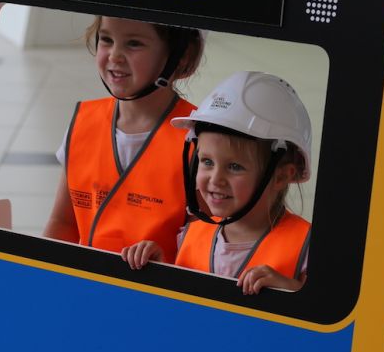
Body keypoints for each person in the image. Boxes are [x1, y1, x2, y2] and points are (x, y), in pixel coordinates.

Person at [122, 71, 313, 295]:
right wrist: (160, 271)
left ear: (280, 177)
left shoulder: (307, 246)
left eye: (234, 167)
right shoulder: (189, 236)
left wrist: (296, 294)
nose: (215, 179)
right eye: (207, 161)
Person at [43, 16, 204, 261]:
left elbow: (206, 246)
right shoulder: (83, 121)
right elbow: (62, 222)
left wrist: (169, 267)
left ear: (180, 56)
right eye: (106, 40)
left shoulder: (201, 137)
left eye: (134, 44)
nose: (115, 56)